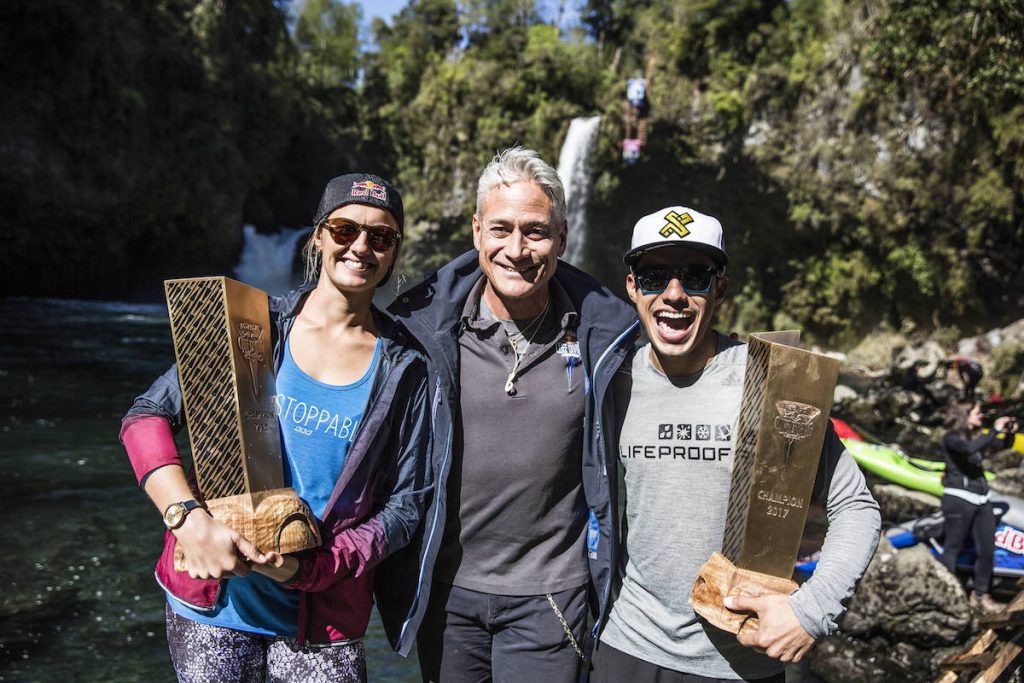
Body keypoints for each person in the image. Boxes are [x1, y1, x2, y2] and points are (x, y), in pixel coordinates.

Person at [119, 173, 431, 682]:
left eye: (381, 236)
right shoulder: (252, 324)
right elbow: (145, 417)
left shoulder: (405, 367)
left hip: (323, 616)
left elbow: (406, 506)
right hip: (214, 606)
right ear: (318, 237)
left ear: (394, 252)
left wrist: (311, 569)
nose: (360, 247)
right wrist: (188, 521)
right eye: (344, 229)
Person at [591, 206, 881, 682]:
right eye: (654, 276)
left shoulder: (775, 381)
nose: (674, 295)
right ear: (631, 287)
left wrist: (813, 611)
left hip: (738, 662)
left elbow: (855, 505)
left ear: (720, 288)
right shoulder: (613, 380)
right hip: (627, 648)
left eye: (696, 276)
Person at [388, 146, 640, 682]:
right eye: (501, 229)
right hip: (449, 596)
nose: (517, 250)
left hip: (553, 599)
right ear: (477, 231)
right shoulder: (423, 328)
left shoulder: (608, 337)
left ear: (563, 238)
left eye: (536, 231)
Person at [940, 400, 1019, 613]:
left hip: (981, 500)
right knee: (952, 548)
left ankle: (981, 595)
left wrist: (1009, 432)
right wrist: (993, 429)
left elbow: (1002, 446)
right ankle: (946, 594)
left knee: (987, 550)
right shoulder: (951, 437)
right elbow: (968, 449)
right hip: (958, 499)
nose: (981, 416)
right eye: (977, 413)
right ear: (964, 414)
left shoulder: (977, 438)